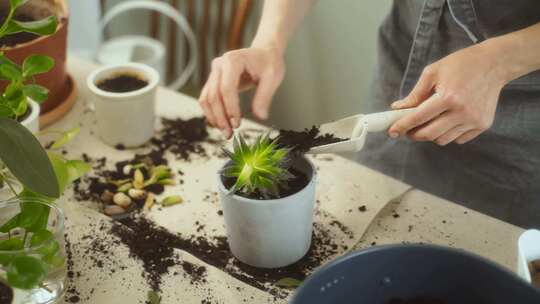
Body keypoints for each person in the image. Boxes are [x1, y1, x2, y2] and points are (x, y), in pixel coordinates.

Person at [198, 0, 540, 228]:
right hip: (405, 60)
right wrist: (268, 42)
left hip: (522, 107)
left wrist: (500, 61)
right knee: (374, 219)